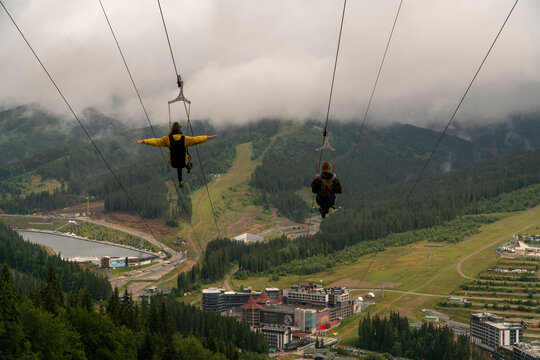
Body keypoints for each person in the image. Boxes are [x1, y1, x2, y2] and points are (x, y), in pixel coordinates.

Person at [136, 122, 217, 187]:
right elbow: (196, 140)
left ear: (172, 130)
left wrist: (144, 141)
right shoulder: (184, 139)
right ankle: (188, 168)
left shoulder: (167, 139)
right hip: (183, 161)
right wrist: (208, 137)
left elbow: (156, 141)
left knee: (179, 165)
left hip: (173, 163)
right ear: (180, 129)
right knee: (186, 158)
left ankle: (180, 180)